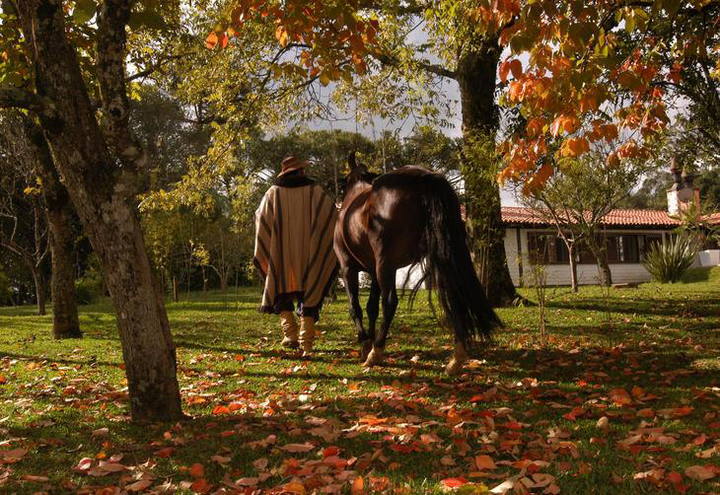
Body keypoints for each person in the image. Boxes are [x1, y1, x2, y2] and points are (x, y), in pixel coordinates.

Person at [253, 156, 338, 355]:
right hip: (310, 255)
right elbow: (331, 217)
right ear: (300, 172)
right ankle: (306, 343)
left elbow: (260, 218)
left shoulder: (272, 193)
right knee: (311, 289)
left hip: (280, 256)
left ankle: (290, 333)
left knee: (278, 284)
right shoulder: (315, 192)